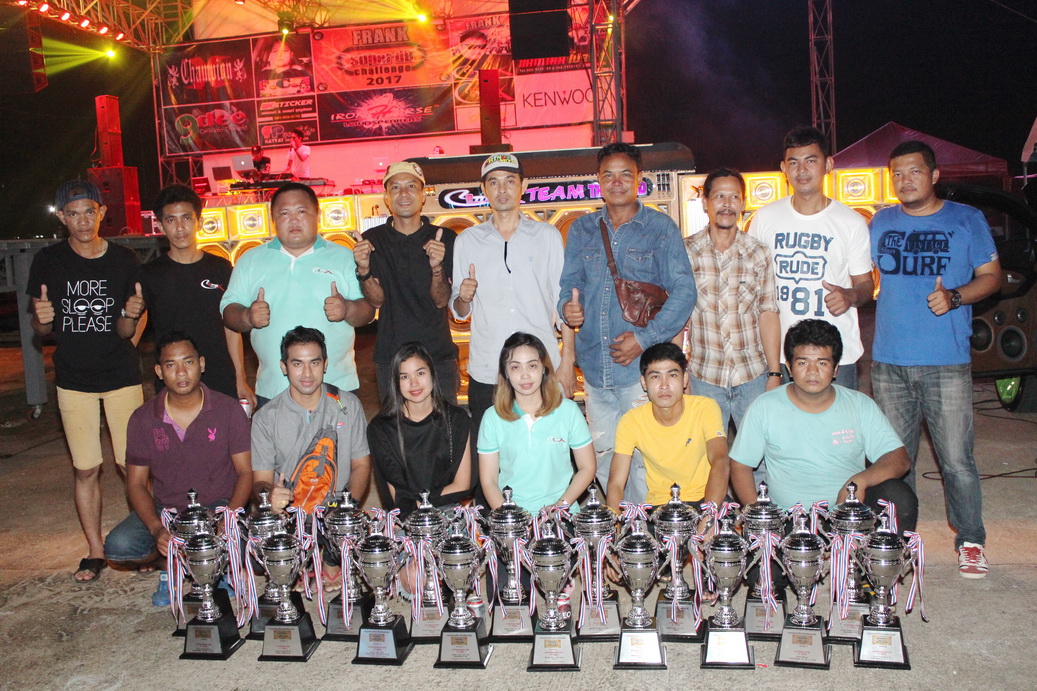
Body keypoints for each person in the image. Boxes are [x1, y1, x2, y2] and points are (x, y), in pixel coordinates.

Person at [870, 140, 1001, 578]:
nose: (905, 180)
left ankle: (971, 540)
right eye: (897, 173)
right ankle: (898, 537)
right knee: (894, 460)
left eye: (914, 171)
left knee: (957, 460)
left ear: (934, 175)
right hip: (888, 362)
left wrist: (956, 296)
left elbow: (992, 277)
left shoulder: (966, 219)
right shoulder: (881, 222)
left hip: (946, 361)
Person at [559, 142, 697, 503]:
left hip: (640, 371)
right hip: (593, 366)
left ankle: (646, 528)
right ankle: (621, 526)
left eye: (625, 174)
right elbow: (569, 285)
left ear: (639, 179)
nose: (616, 182)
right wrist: (567, 309)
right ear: (598, 180)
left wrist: (644, 339)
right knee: (604, 456)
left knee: (644, 458)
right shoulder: (582, 228)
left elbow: (685, 292)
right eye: (609, 175)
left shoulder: (659, 228)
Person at [27, 179, 145, 583]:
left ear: (101, 213)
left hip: (122, 377)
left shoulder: (124, 259)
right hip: (73, 379)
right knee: (86, 469)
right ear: (62, 217)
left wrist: (130, 320)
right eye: (73, 213)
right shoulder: (48, 260)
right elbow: (42, 327)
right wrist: (41, 321)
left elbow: (128, 326)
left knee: (133, 467)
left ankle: (146, 543)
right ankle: (95, 550)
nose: (82, 220)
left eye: (89, 211)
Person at [103, 333, 252, 604]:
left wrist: (228, 518)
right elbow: (135, 483)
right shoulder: (143, 418)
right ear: (159, 371)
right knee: (118, 547)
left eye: (188, 362)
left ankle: (217, 569)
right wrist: (157, 529)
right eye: (171, 365)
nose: (181, 372)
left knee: (246, 543)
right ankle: (169, 565)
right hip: (169, 510)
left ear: (201, 364)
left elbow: (245, 472)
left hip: (217, 507)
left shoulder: (228, 410)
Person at [729, 319, 917, 531]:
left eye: (822, 363)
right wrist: (758, 514)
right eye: (803, 363)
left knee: (898, 495)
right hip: (788, 521)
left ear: (835, 369)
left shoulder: (859, 405)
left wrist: (860, 482)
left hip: (848, 516)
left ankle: (882, 553)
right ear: (789, 367)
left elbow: (899, 459)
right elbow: (740, 465)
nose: (812, 371)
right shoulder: (765, 406)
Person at [450, 153, 575, 440]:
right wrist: (464, 297)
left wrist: (567, 362)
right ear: (484, 189)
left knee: (546, 448)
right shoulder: (467, 240)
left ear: (523, 186)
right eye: (493, 182)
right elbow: (459, 311)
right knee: (492, 453)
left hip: (541, 368)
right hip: (488, 370)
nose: (502, 189)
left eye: (509, 181)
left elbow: (564, 302)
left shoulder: (547, 236)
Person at [221, 182, 374, 406]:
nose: (293, 220)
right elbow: (228, 312)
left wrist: (347, 309)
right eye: (284, 213)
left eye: (301, 211)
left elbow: (368, 311)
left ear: (317, 215)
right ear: (273, 219)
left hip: (336, 387)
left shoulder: (344, 257)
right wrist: (247, 316)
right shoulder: (250, 261)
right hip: (274, 390)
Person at [748, 126, 873, 389]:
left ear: (828, 165)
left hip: (835, 353)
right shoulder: (765, 218)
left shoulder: (851, 222)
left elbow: (865, 285)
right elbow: (750, 285)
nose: (802, 170)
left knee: (839, 418)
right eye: (794, 162)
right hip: (779, 354)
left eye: (811, 161)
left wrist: (850, 295)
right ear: (783, 168)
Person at [137, 184, 255, 407]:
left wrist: (241, 379)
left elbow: (232, 330)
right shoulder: (149, 274)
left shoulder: (221, 268)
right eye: (171, 220)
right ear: (161, 226)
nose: (180, 227)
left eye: (186, 218)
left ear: (198, 222)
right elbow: (136, 325)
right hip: (174, 381)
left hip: (220, 378)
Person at [682, 167, 781, 431]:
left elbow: (768, 312)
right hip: (704, 377)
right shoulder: (686, 252)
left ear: (743, 203)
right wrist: (679, 369)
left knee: (758, 452)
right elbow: (678, 317)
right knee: (707, 453)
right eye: (719, 197)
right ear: (705, 202)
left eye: (734, 197)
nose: (727, 204)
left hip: (753, 375)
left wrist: (774, 373)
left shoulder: (758, 252)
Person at [352, 162, 460, 403]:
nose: (403, 193)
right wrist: (364, 270)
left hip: (437, 354)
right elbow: (376, 300)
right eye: (395, 187)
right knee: (396, 425)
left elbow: (442, 300)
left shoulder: (445, 238)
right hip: (391, 355)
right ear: (386, 198)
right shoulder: (372, 240)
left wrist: (436, 267)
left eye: (411, 186)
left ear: (423, 196)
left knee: (444, 423)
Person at [250, 326, 372, 513]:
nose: (307, 373)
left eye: (314, 363)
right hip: (288, 512)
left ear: (325, 364)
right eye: (297, 364)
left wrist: (348, 507)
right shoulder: (265, 418)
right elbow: (261, 480)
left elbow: (361, 465)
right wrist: (270, 495)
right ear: (284, 367)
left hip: (338, 509)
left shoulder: (348, 405)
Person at [478, 332, 595, 514]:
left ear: (543, 368)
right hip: (513, 517)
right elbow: (489, 481)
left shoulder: (569, 411)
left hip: (562, 515)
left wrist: (560, 506)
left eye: (532, 365)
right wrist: (510, 518)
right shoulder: (492, 417)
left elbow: (587, 468)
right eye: (515, 367)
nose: (525, 375)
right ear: (506, 373)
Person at [606, 343, 730, 512]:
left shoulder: (705, 408)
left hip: (706, 498)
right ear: (644, 382)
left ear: (684, 379)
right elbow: (616, 483)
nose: (664, 385)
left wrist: (709, 516)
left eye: (672, 375)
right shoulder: (631, 421)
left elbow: (720, 460)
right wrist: (615, 525)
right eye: (655, 377)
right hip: (661, 506)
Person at [367, 342, 474, 518]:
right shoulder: (381, 429)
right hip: (405, 517)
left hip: (448, 512)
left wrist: (421, 504)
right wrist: (417, 510)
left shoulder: (457, 419)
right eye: (404, 377)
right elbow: (398, 495)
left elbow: (462, 485)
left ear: (432, 374)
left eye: (420, 373)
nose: (414, 383)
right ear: (396, 382)